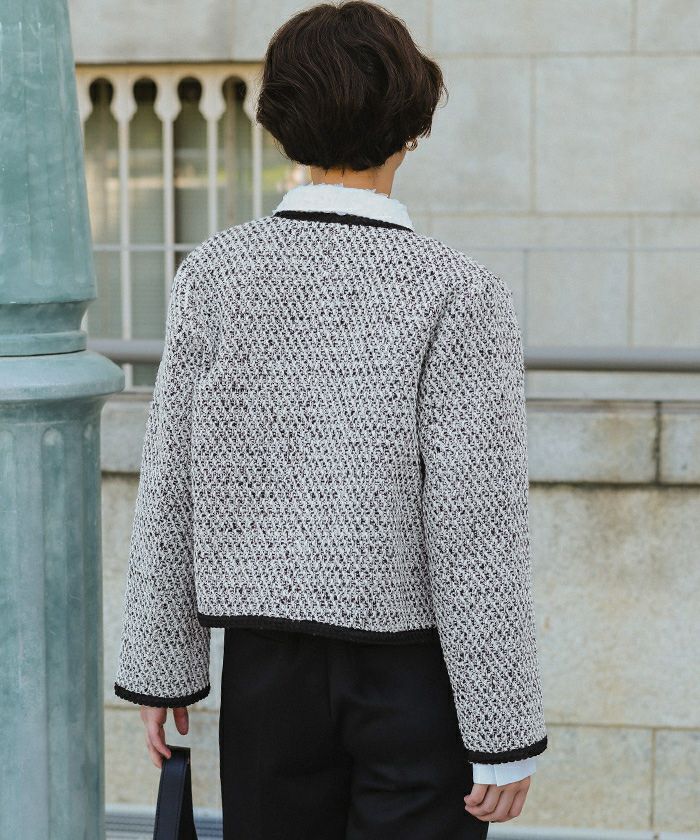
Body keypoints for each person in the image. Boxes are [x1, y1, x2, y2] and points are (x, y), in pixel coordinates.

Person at [113, 2, 548, 837]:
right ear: (412, 130)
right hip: (415, 677)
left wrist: (162, 667)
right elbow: (477, 524)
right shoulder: (461, 292)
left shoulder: (214, 273)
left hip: (264, 671)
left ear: (282, 126)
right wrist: (503, 730)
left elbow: (170, 480)